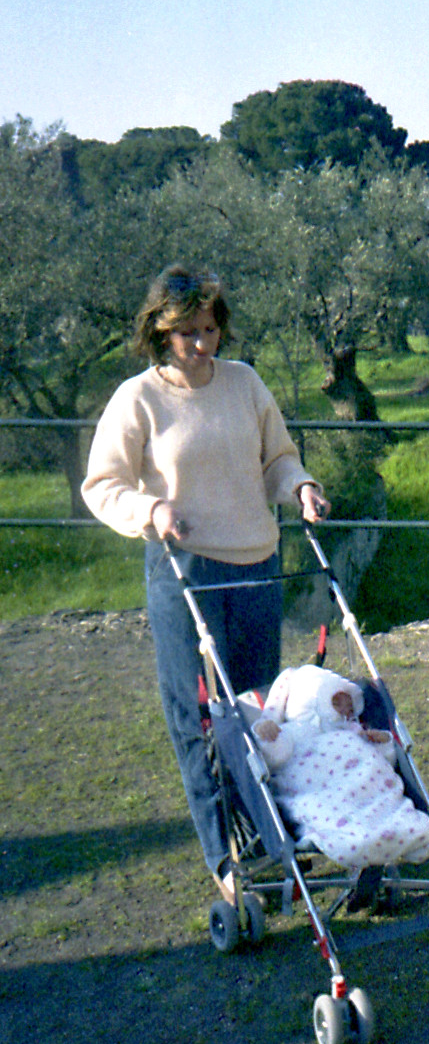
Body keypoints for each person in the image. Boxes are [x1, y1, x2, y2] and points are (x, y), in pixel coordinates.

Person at [82, 264, 330, 888]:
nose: (200, 343)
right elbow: (103, 484)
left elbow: (278, 460)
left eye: (210, 329)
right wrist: (151, 510)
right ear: (161, 332)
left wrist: (300, 488)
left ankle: (274, 837)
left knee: (257, 713)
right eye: (187, 332)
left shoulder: (245, 383)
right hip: (185, 570)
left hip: (256, 564)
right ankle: (226, 857)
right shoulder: (137, 399)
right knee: (197, 717)